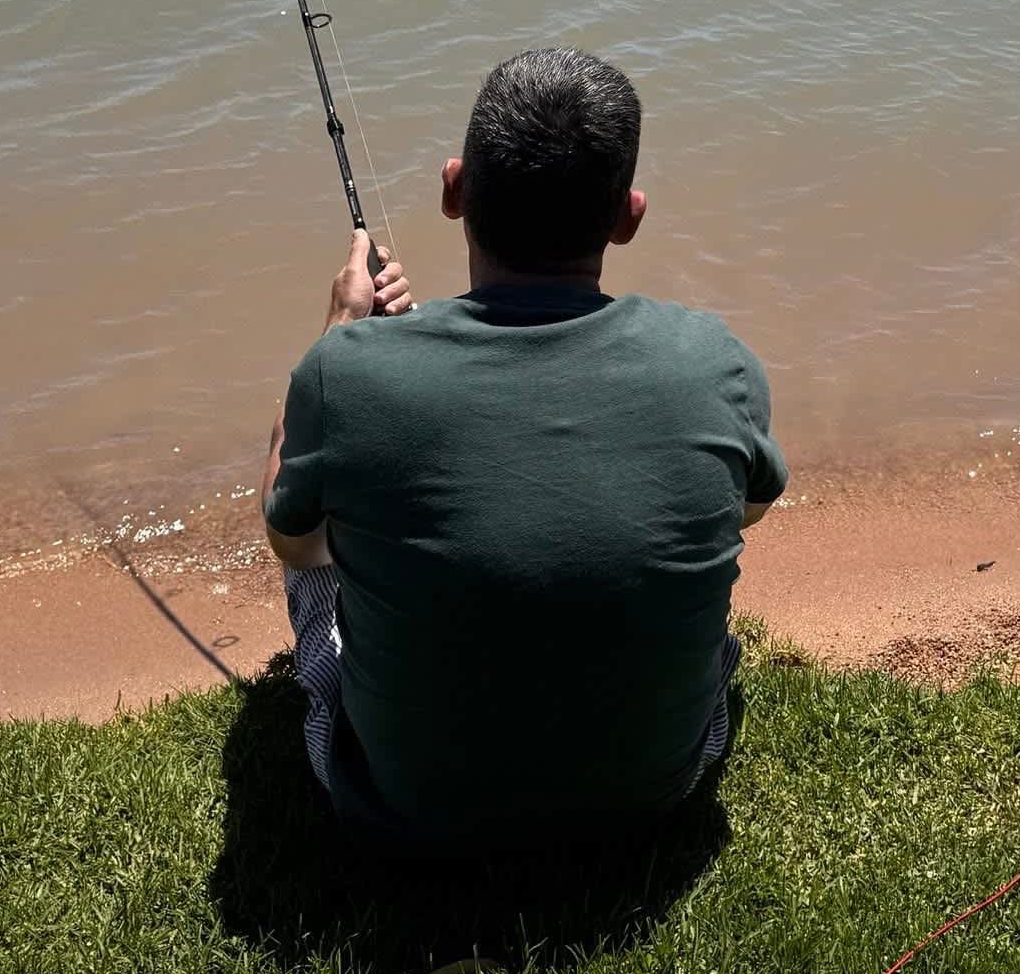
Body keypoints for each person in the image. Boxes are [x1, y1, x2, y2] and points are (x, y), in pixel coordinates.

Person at [260, 46, 786, 848]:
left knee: (312, 511)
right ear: (629, 216)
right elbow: (744, 510)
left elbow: (294, 545)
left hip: (404, 807)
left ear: (454, 189)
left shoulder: (345, 372)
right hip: (655, 791)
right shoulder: (715, 361)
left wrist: (340, 335)